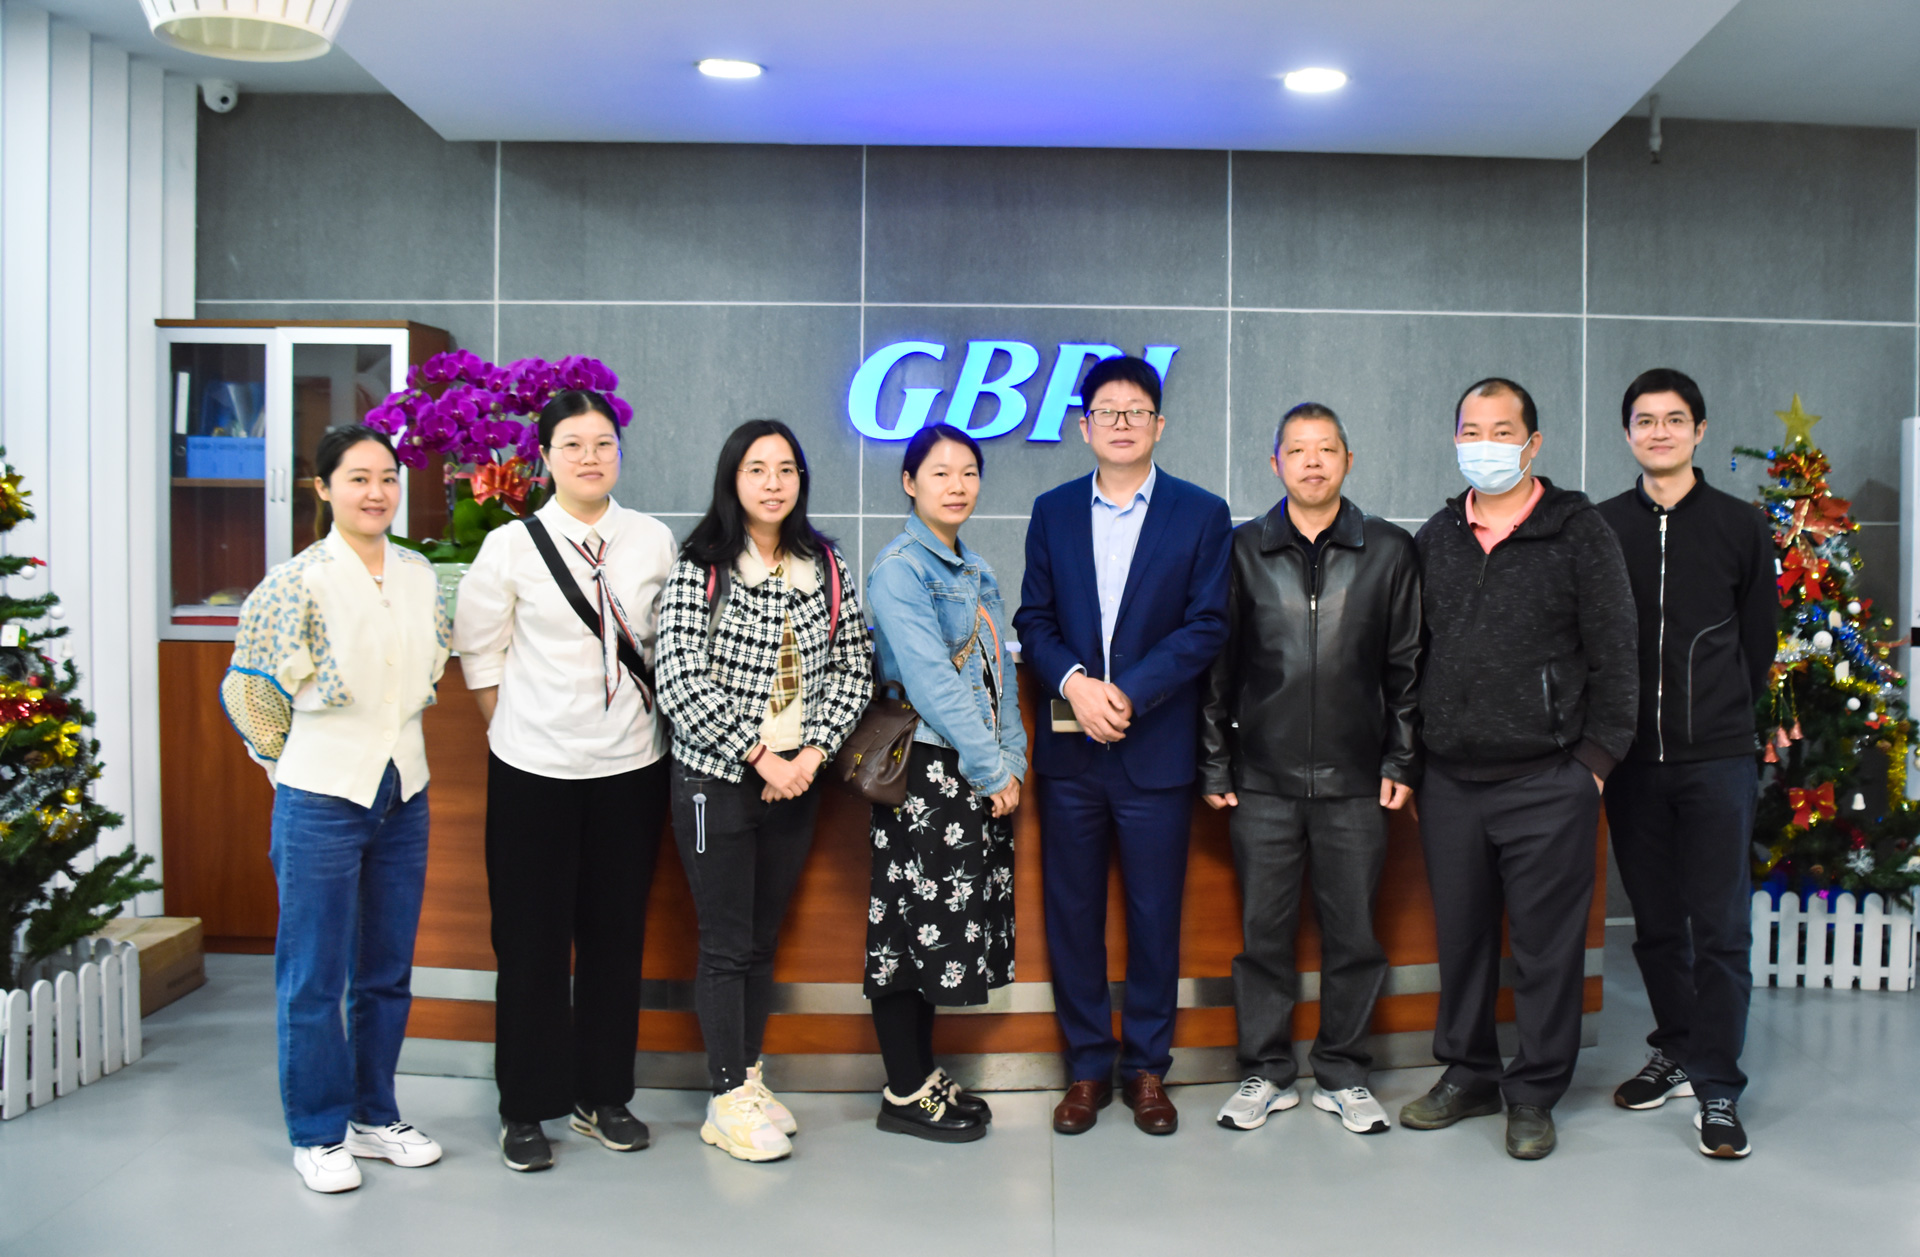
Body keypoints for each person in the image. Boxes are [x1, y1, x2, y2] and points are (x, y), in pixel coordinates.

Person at [1400, 378, 1637, 1160]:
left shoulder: (1580, 531)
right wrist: (1415, 758)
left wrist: (1593, 764)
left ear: (1532, 444)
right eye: (1472, 430)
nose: (1486, 445)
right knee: (1462, 940)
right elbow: (1411, 657)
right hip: (1451, 780)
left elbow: (1616, 654)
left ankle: (1534, 1091)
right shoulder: (1436, 537)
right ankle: (1468, 1073)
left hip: (1549, 779)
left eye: (1502, 431)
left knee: (1545, 949)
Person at [222, 424, 450, 1193]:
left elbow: (429, 666)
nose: (376, 492)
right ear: (323, 488)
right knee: (314, 975)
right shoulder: (297, 580)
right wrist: (285, 766)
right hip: (320, 791)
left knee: (385, 970)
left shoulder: (419, 573)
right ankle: (317, 1131)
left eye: (387, 477)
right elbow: (251, 689)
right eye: (357, 478)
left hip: (403, 788)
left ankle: (374, 1114)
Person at [454, 389, 676, 1173]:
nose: (591, 456)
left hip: (631, 768)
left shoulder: (652, 540)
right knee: (531, 942)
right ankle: (524, 1106)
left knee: (616, 938)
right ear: (545, 457)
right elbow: (480, 654)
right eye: (574, 444)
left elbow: (668, 646)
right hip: (534, 773)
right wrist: (518, 731)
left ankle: (603, 1094)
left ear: (620, 452)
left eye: (604, 442)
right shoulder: (510, 546)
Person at [1013, 355, 1232, 1136]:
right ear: (1084, 426)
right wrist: (1075, 683)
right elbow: (1033, 618)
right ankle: (1084, 1067)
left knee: (1153, 915)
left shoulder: (1201, 513)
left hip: (1155, 748)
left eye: (1137, 410)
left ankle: (1146, 1069)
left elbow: (1207, 624)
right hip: (1071, 755)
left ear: (1159, 425)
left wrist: (1129, 691)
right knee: (1072, 913)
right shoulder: (1052, 511)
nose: (1122, 422)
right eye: (1107, 410)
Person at [1199, 403, 1421, 1136]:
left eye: (1327, 449)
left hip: (1357, 782)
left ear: (1348, 460)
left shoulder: (1388, 549)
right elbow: (1218, 669)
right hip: (1261, 780)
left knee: (1354, 937)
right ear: (1276, 464)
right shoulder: (1241, 549)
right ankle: (1265, 1071)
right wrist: (1215, 763)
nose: (1313, 462)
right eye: (1298, 450)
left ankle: (1344, 1072)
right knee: (1262, 939)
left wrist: (1401, 756)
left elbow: (1407, 667)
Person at [656, 419, 872, 1163]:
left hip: (798, 777)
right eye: (757, 468)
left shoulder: (826, 564)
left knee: (760, 939)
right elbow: (678, 678)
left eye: (786, 469)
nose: (773, 482)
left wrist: (811, 753)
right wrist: (759, 756)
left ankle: (748, 1075)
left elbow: (854, 666)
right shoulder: (701, 565)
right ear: (733, 479)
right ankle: (725, 1099)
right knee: (724, 944)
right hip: (718, 778)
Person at [1596, 369, 1774, 1160]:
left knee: (1721, 928)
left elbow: (1758, 642)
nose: (1659, 431)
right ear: (1627, 433)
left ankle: (1718, 1085)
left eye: (1674, 419)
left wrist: (1722, 718)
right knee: (1658, 925)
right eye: (1645, 420)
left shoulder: (1740, 525)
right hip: (1633, 761)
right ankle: (1674, 1047)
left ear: (1699, 431)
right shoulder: (1602, 527)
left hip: (1718, 759)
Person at [863, 424, 1025, 1143]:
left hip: (971, 771)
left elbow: (999, 674)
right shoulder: (900, 568)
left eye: (968, 472)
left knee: (936, 930)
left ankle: (920, 1076)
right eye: (939, 472)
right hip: (927, 774)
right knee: (906, 929)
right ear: (909, 482)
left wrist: (1012, 757)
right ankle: (903, 1088)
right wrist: (992, 766)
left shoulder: (974, 568)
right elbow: (931, 681)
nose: (956, 485)